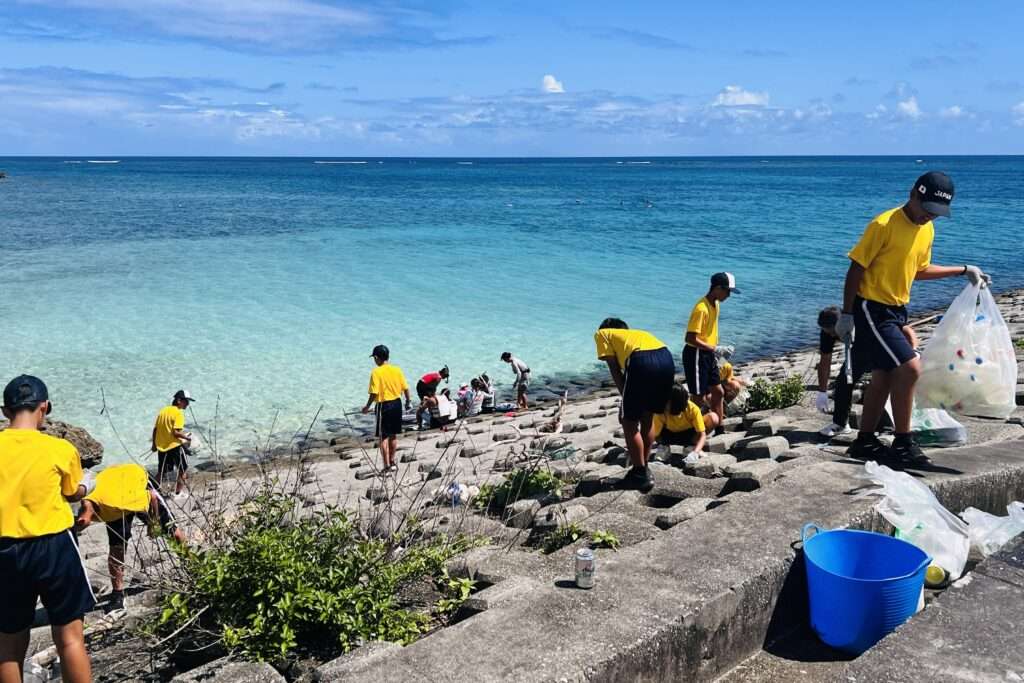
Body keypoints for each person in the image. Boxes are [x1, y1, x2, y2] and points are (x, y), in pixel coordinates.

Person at [835, 171, 989, 464]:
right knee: (911, 369)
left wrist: (963, 270)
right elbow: (856, 268)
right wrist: (847, 314)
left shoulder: (927, 229)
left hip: (896, 310)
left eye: (936, 213)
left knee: (883, 375)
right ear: (913, 194)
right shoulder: (884, 225)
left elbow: (919, 270)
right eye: (927, 209)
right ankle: (903, 442)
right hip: (870, 307)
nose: (929, 217)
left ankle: (865, 441)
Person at [1, 375, 95, 683]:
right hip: (54, 545)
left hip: (5, 549)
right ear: (45, 407)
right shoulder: (60, 448)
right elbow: (71, 493)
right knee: (70, 639)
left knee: (8, 648)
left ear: (5, 411)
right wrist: (87, 487)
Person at [74, 463, 185, 612]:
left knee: (173, 532)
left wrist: (153, 523)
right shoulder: (87, 501)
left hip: (136, 482)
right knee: (117, 547)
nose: (79, 529)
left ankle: (190, 565)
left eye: (79, 527)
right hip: (114, 487)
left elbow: (151, 497)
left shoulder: (113, 502)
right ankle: (117, 594)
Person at [594, 318, 676, 492]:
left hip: (641, 360)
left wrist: (626, 397)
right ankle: (643, 467)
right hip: (666, 358)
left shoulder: (603, 333)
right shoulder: (639, 334)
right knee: (647, 416)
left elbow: (614, 368)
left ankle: (639, 474)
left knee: (628, 420)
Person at [815, 306, 910, 437]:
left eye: (833, 332)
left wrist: (913, 352)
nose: (831, 335)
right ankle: (840, 424)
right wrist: (822, 391)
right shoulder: (827, 333)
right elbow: (825, 361)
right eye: (827, 332)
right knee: (843, 382)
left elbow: (906, 330)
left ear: (841, 324)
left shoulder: (862, 320)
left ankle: (888, 428)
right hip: (858, 350)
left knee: (878, 384)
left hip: (880, 345)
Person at [683, 272, 739, 434]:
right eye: (727, 291)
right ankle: (687, 428)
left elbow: (708, 333)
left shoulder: (716, 304)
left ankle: (719, 427)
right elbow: (690, 338)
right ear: (717, 288)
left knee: (718, 391)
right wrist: (715, 348)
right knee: (698, 396)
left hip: (708, 353)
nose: (729, 295)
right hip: (695, 354)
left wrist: (717, 349)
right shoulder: (701, 308)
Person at [362, 345, 412, 472]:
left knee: (383, 437)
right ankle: (392, 462)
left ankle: (386, 466)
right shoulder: (397, 370)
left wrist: (367, 407)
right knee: (393, 435)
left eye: (374, 357)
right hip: (397, 404)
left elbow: (374, 393)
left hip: (383, 405)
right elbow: (406, 388)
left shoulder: (376, 372)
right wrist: (408, 402)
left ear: (377, 357)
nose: (374, 360)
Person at [653, 382, 719, 454]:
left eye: (666, 401)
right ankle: (664, 447)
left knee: (713, 418)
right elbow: (654, 435)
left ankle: (692, 446)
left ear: (676, 402)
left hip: (689, 435)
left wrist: (695, 453)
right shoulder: (661, 410)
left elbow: (702, 434)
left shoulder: (692, 409)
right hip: (669, 436)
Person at [152, 390, 194, 499]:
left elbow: (155, 430)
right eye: (186, 401)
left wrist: (154, 444)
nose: (188, 404)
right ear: (179, 401)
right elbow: (176, 433)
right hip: (174, 447)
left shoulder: (163, 411)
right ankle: (178, 493)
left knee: (161, 471)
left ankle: (152, 492)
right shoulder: (178, 413)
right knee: (183, 470)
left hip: (162, 447)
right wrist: (188, 438)